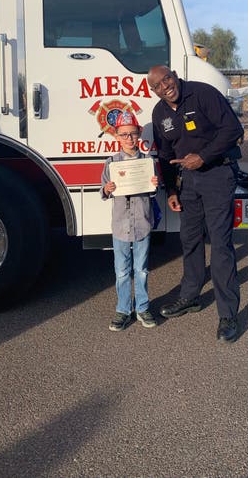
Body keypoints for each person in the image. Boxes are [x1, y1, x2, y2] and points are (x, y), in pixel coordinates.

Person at [146, 65, 244, 343]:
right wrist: (171, 190)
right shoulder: (160, 113)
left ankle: (228, 314)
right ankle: (189, 296)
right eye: (159, 85)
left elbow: (232, 129)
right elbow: (165, 155)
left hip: (217, 174)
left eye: (168, 78)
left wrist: (202, 156)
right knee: (189, 240)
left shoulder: (203, 94)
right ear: (153, 90)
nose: (166, 86)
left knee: (221, 244)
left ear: (175, 75)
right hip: (188, 182)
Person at [100, 111, 161, 331]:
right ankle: (123, 309)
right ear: (116, 136)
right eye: (124, 134)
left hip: (143, 223)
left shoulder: (147, 162)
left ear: (139, 134)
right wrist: (107, 189)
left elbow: (153, 193)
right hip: (120, 226)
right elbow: (104, 191)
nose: (129, 139)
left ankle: (143, 307)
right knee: (122, 271)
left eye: (133, 134)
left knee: (142, 269)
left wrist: (154, 185)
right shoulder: (111, 163)